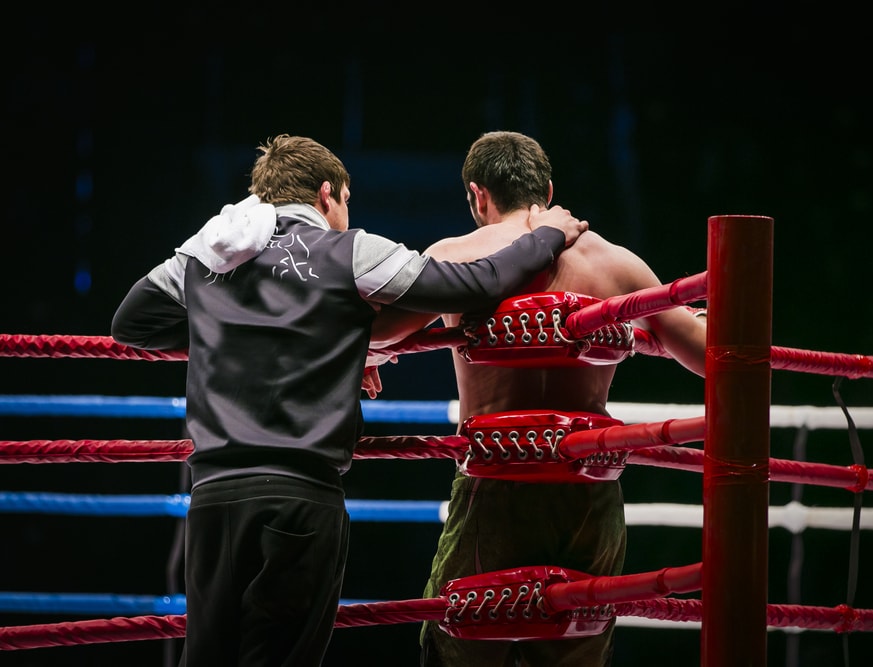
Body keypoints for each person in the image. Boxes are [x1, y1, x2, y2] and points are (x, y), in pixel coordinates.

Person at [109, 133, 588, 667]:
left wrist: (236, 331)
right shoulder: (349, 249)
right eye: (346, 203)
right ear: (326, 194)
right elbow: (476, 282)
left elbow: (131, 324)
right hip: (300, 497)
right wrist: (544, 236)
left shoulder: (211, 253)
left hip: (214, 499)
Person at [368, 130, 707, 666]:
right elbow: (713, 357)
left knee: (456, 646)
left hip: (496, 488)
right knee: (576, 651)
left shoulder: (456, 257)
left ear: (478, 195)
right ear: (547, 189)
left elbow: (378, 335)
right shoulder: (616, 264)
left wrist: (368, 358)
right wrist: (712, 312)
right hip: (588, 498)